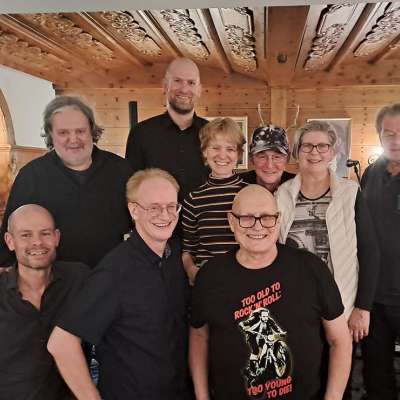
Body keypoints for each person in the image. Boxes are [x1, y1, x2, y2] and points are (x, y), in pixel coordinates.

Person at [190, 185, 352, 400]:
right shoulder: (210, 275)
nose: (258, 226)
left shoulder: (311, 269)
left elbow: (340, 340)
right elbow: (199, 336)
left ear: (278, 220)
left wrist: (333, 398)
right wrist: (202, 397)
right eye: (246, 218)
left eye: (267, 217)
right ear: (231, 221)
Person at [48, 168, 191, 400]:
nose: (165, 215)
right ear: (134, 210)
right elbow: (61, 343)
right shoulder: (114, 272)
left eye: (171, 206)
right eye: (154, 207)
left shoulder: (174, 256)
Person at [0, 96, 133, 269]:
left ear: (92, 130)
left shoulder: (121, 170)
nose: (73, 139)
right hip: (53, 279)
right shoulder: (31, 176)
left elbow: (139, 224)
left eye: (80, 131)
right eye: (63, 133)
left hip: (112, 275)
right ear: (50, 134)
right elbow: (11, 235)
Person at [276, 120, 379, 341]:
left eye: (322, 146)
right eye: (307, 146)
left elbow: (369, 252)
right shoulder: (282, 194)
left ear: (332, 152)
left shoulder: (350, 193)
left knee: (340, 361)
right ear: (297, 152)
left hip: (342, 303)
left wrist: (363, 308)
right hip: (294, 303)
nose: (314, 152)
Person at [0, 204, 89, 400]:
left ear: (57, 237)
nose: (37, 242)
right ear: (10, 241)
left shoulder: (78, 278)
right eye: (25, 235)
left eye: (45, 233)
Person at [125, 57, 209, 200]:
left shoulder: (212, 133)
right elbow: (132, 188)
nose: (184, 89)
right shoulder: (141, 133)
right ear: (165, 85)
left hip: (205, 215)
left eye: (191, 82)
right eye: (177, 81)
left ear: (199, 90)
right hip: (157, 215)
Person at [361, 103, 400, 400]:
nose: (395, 140)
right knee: (376, 373)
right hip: (374, 296)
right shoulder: (370, 173)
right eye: (388, 133)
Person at [181, 117, 247, 285]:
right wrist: (191, 270)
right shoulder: (193, 199)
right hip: (207, 280)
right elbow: (188, 248)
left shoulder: (250, 193)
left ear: (238, 154)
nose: (222, 155)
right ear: (205, 151)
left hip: (245, 279)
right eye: (215, 147)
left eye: (230, 149)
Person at [241, 125, 295, 192]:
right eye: (262, 157)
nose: (269, 165)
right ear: (251, 158)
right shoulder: (236, 184)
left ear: (288, 158)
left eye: (277, 157)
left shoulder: (299, 185)